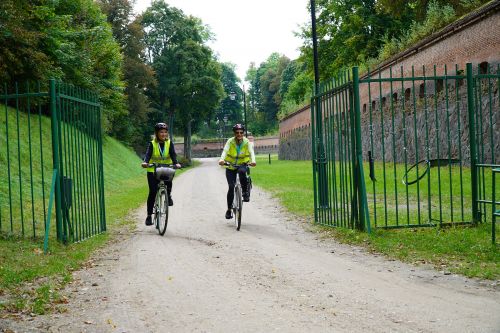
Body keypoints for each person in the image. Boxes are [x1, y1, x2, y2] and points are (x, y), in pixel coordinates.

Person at [141, 122, 181, 226]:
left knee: (168, 184)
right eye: (161, 132)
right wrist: (145, 162)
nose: (163, 134)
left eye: (165, 132)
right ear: (157, 133)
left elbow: (173, 154)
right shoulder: (152, 144)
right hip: (153, 170)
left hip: (166, 168)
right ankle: (149, 216)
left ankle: (168, 195)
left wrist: (176, 163)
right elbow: (148, 155)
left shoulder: (169, 143)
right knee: (153, 192)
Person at [218, 123, 256, 219]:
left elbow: (251, 152)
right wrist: (221, 160)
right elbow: (225, 151)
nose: (239, 134)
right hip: (230, 166)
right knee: (231, 187)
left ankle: (244, 192)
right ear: (234, 133)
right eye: (237, 132)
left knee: (242, 172)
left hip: (242, 164)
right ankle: (229, 210)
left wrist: (253, 161)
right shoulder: (230, 141)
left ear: (243, 133)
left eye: (241, 132)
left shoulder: (247, 142)